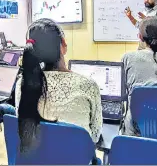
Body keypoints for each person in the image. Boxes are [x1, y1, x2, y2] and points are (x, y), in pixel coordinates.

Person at [15, 18, 102, 155]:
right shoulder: (88, 85)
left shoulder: (22, 83)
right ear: (63, 44)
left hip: (37, 160)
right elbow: (95, 137)